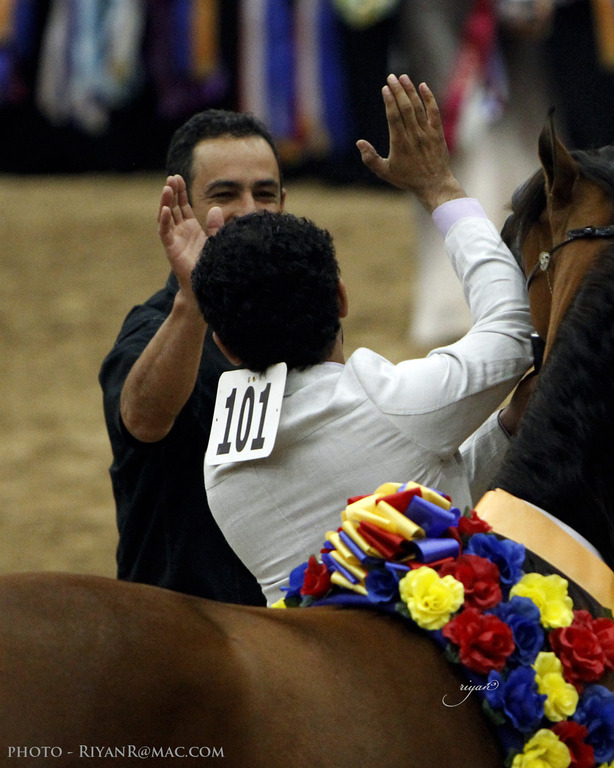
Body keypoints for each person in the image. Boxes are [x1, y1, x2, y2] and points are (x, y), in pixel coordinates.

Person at [165, 74, 534, 606]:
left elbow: (409, 479)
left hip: (301, 652)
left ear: (223, 345)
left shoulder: (219, 467)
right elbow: (512, 327)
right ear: (341, 298)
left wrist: (504, 430)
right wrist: (441, 189)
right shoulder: (392, 404)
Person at [99, 109, 287, 604]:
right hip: (180, 626)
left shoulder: (305, 319)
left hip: (285, 625)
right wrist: (193, 300)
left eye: (264, 194)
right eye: (225, 195)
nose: (249, 211)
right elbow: (143, 421)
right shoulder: (153, 329)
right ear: (181, 206)